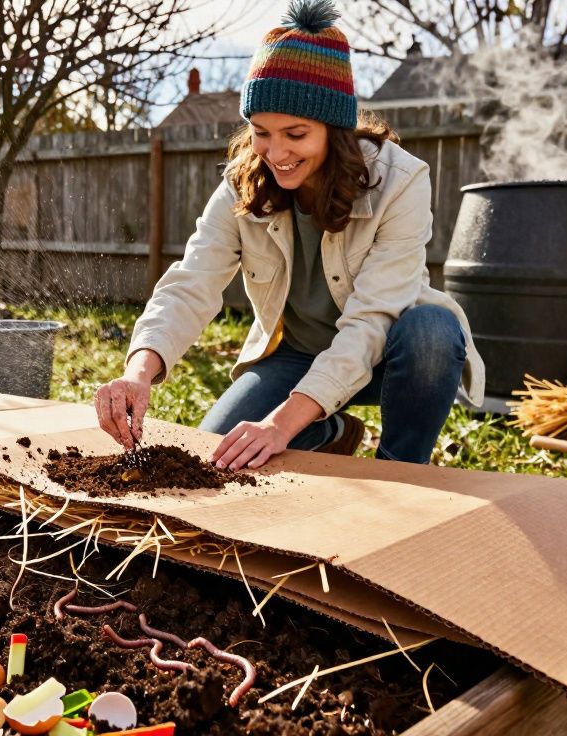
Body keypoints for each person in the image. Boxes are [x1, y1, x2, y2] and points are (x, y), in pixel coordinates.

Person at [95, 0, 485, 471]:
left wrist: (279, 425)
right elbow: (192, 280)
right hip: (297, 355)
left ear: (334, 129)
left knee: (433, 332)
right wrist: (138, 372)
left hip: (388, 355)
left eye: (295, 134)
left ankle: (398, 467)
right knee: (221, 451)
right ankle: (329, 432)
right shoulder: (243, 183)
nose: (275, 153)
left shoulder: (400, 182)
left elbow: (372, 321)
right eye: (261, 132)